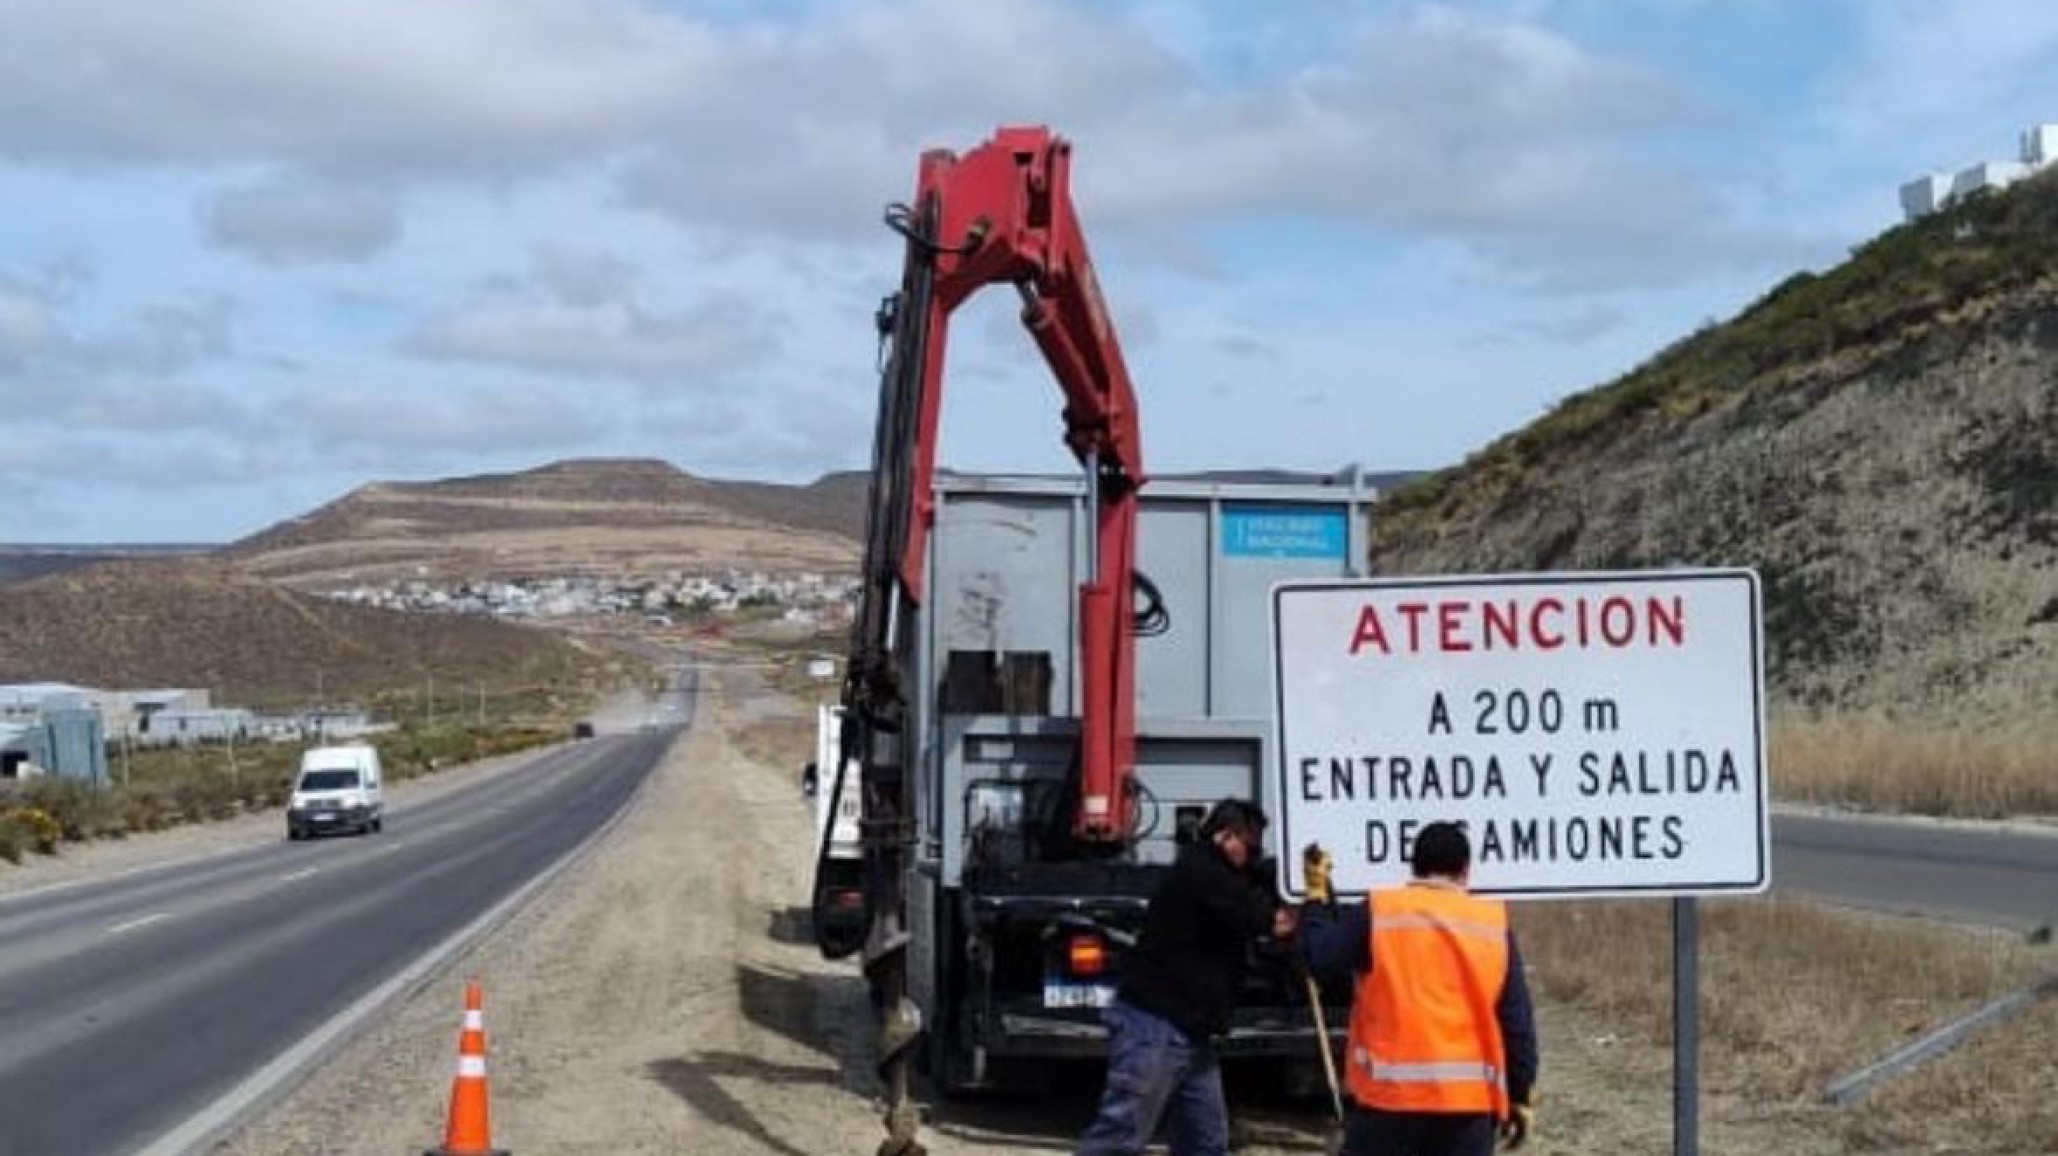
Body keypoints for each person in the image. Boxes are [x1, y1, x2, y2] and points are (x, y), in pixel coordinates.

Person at [1299, 822, 1539, 1156]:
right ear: (1466, 871)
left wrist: (1315, 899)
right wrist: (1520, 1094)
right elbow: (1516, 1021)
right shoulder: (1492, 923)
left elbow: (1321, 959)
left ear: (1413, 867)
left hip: (1388, 1103)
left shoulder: (1379, 910)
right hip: (1467, 1109)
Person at [1074, 798, 1297, 1156]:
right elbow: (1263, 919)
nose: (1252, 855)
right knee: (1120, 1136)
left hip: (1192, 1033)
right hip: (1155, 1026)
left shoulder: (1216, 872)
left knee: (1205, 1141)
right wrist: (1302, 904)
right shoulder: (1202, 872)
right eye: (1250, 845)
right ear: (1226, 837)